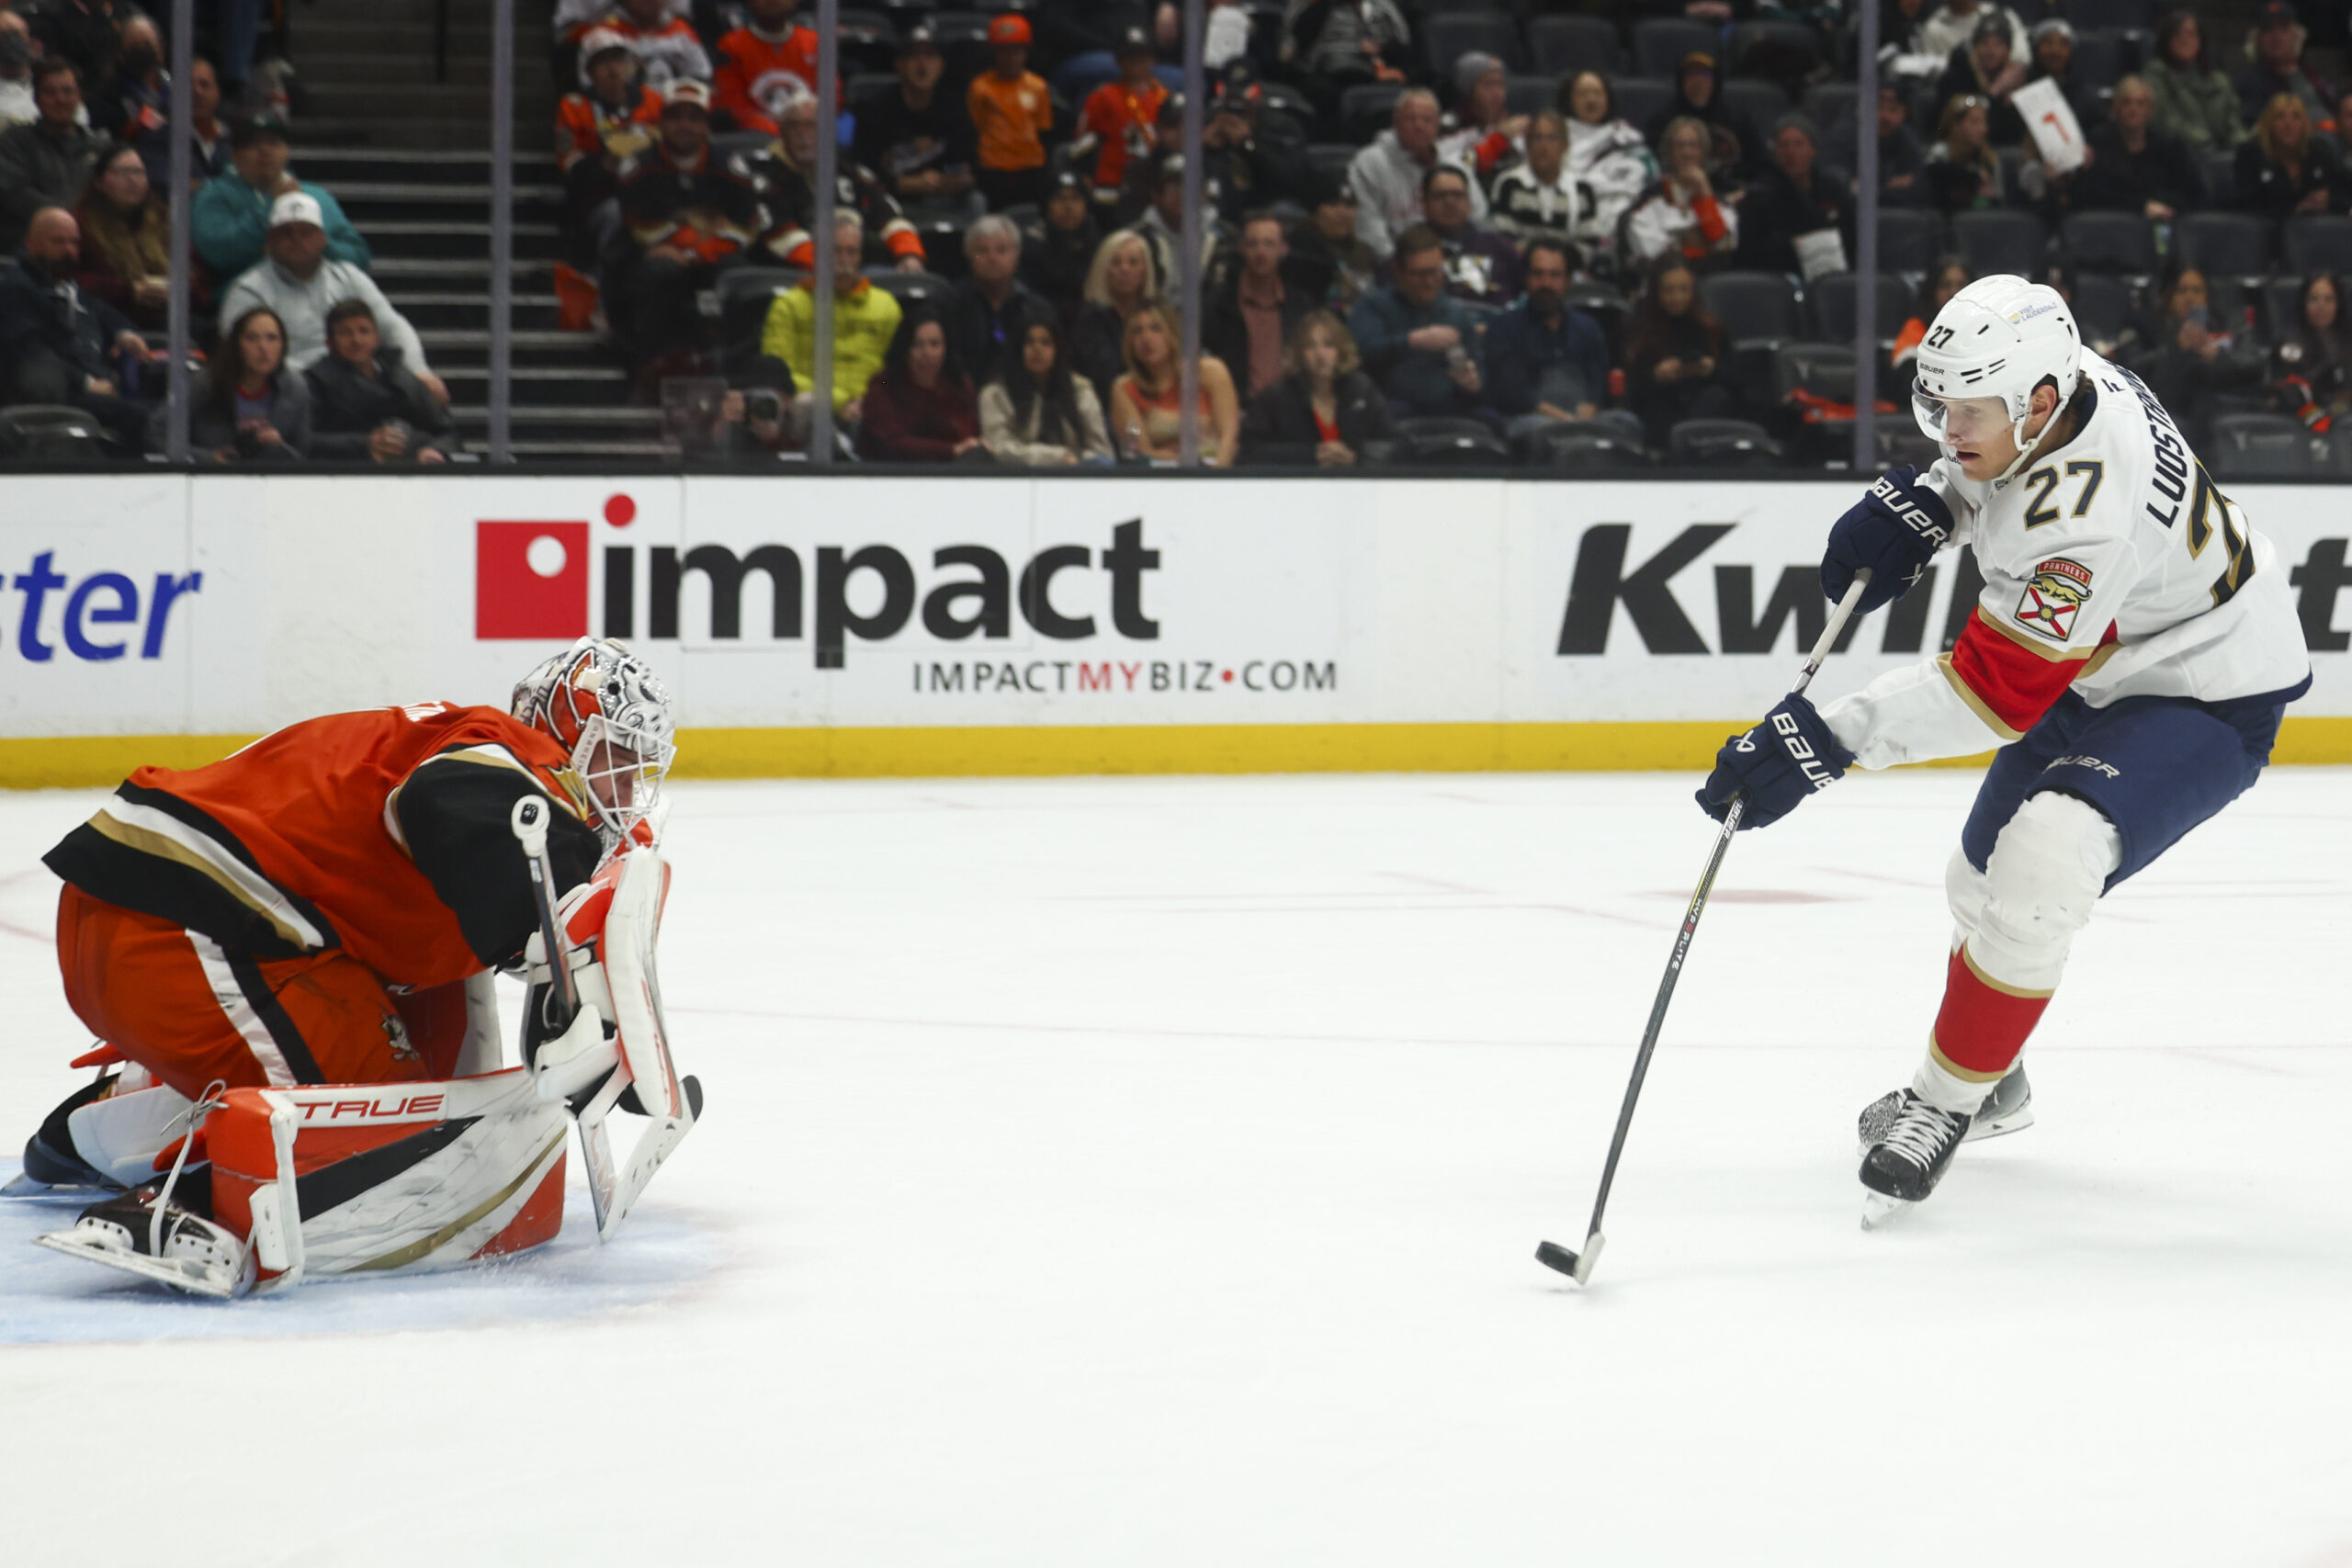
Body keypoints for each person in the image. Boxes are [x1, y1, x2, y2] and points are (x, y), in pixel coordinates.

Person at [1702, 273, 2310, 1221]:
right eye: (1936, 405)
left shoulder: (2082, 523)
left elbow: (1989, 696)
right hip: (2101, 657)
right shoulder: (2057, 377)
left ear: (2033, 400)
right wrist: (1932, 501)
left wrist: (1822, 739)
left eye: (1966, 413)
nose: (1948, 429)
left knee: (2041, 867)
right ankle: (1997, 1078)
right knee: (1976, 885)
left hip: (2203, 683)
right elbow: (1991, 471)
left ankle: (1942, 1103)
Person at [17, 639, 678, 1292]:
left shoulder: (472, 762)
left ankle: (98, 1127)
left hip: (161, 919)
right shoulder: (508, 761)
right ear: (567, 735)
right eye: (619, 758)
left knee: (426, 1089)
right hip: (177, 928)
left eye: (641, 769)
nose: (627, 788)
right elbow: (445, 795)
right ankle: (186, 1200)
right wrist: (547, 948)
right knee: (384, 1138)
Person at [216, 194, 442, 392]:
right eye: (286, 233)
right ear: (270, 241)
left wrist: (419, 370)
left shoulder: (349, 277)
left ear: (322, 239)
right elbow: (243, 355)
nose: (297, 241)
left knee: (416, 387)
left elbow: (392, 325)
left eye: (307, 233)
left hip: (355, 383)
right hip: (289, 389)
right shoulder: (248, 290)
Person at [615, 81, 762, 373]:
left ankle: (737, 373)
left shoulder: (729, 167)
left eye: (695, 118)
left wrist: (698, 251)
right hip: (658, 257)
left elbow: (748, 227)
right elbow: (638, 229)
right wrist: (680, 241)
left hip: (713, 256)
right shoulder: (639, 168)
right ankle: (649, 369)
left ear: (707, 126)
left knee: (741, 275)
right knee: (657, 273)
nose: (685, 126)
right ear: (661, 122)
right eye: (676, 117)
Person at [0, 206, 156, 449]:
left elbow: (101, 310)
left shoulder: (66, 285)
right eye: (58, 242)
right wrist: (86, 382)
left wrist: (125, 333)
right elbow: (31, 352)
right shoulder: (16, 289)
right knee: (138, 416)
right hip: (54, 393)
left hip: (94, 385)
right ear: (31, 244)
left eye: (74, 242)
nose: (69, 251)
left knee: (166, 408)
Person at [739, 90, 925, 272]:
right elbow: (779, 234)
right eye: (794, 126)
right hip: (795, 276)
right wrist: (833, 274)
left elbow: (889, 217)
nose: (803, 135)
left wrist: (909, 254)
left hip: (853, 273)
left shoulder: (849, 172)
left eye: (811, 125)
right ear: (782, 132)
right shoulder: (765, 178)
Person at [763, 211, 902, 429]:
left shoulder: (886, 306)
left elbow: (895, 371)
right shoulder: (788, 306)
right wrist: (839, 400)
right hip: (812, 409)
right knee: (806, 405)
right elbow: (779, 374)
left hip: (868, 408)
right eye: (835, 252)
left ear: (860, 257)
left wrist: (870, 400)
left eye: (851, 252)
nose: (844, 261)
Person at [191, 113, 371, 281]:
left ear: (286, 151)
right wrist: (271, 207)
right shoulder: (214, 195)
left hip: (319, 297)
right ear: (235, 155)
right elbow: (218, 254)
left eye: (273, 142)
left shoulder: (316, 196)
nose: (264, 150)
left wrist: (319, 245)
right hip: (249, 300)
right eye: (253, 143)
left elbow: (359, 257)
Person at [1483, 236, 1624, 447]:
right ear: (1526, 279)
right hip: (1530, 418)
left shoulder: (1588, 328)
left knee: (1625, 423)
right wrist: (1560, 418)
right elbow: (1510, 390)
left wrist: (1589, 408)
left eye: (1555, 275)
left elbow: (1597, 381)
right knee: (1537, 429)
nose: (1546, 283)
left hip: (1583, 417)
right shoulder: (1503, 328)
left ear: (1568, 281)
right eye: (1538, 274)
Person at [1346, 222, 1486, 422]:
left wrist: (1474, 382)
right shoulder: (1373, 307)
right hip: (1393, 411)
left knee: (1490, 421)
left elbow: (1477, 368)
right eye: (1421, 274)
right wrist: (1411, 341)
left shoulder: (1455, 313)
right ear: (1398, 271)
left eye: (1435, 272)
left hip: (1451, 410)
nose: (1429, 282)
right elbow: (1359, 356)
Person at [2120, 261, 2262, 444]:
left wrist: (2217, 356)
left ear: (2207, 296)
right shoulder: (2144, 326)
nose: (2190, 298)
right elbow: (2130, 371)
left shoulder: (2229, 325)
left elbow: (2255, 365)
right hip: (2164, 410)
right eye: (2181, 291)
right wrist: (2175, 349)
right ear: (2168, 296)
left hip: (2217, 413)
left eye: (2197, 291)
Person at [557, 28, 663, 269]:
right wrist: (609, 160)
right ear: (589, 70)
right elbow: (571, 165)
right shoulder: (574, 107)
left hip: (652, 187)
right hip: (602, 195)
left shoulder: (654, 101)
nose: (613, 69)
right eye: (603, 62)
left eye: (618, 60)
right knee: (618, 215)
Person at [303, 298, 455, 464]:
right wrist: (365, 444)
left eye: (364, 331)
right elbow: (303, 440)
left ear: (377, 338)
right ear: (329, 343)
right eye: (345, 333)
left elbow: (446, 432)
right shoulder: (315, 381)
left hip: (411, 468)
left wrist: (433, 449)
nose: (357, 340)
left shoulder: (403, 377)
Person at [1238, 309, 1394, 466]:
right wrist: (1309, 455)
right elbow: (1250, 450)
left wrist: (1356, 457)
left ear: (1340, 350)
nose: (1320, 355)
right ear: (1299, 353)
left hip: (1356, 485)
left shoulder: (1362, 390)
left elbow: (1395, 445)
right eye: (1310, 347)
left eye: (1328, 345)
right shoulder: (1276, 396)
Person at [850, 25, 978, 216]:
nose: (922, 64)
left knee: (978, 201)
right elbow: (862, 171)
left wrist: (950, 180)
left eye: (930, 56)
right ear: (898, 65)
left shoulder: (955, 108)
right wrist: (907, 184)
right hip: (890, 202)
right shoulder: (875, 110)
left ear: (942, 66)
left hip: (946, 200)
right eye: (913, 56)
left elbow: (971, 165)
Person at [160, 305, 311, 462]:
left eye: (272, 338)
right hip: (210, 479)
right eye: (252, 338)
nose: (263, 348)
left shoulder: (295, 388)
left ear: (283, 346)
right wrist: (208, 458)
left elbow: (303, 453)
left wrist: (280, 447)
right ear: (236, 345)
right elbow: (156, 433)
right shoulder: (205, 383)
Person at [1349, 87, 1479, 263]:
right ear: (1395, 122)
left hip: (1455, 258)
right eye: (1410, 119)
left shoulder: (1453, 162)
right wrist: (1403, 265)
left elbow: (1478, 213)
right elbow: (1368, 226)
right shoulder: (1371, 162)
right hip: (1396, 263)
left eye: (1427, 119)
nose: (1419, 126)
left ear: (1438, 125)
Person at [1107, 300, 1241, 465]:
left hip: (1215, 473)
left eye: (1156, 328)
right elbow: (1138, 453)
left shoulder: (1210, 371)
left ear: (1172, 333)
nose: (1146, 338)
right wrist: (1187, 464)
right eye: (1137, 331)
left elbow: (1229, 437)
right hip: (1159, 478)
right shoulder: (1124, 389)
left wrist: (1213, 476)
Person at [979, 307, 1113, 465]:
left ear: (1057, 349)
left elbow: (1101, 450)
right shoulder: (995, 394)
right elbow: (997, 447)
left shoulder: (1080, 389)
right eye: (1029, 342)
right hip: (1016, 480)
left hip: (1076, 477)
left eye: (1046, 342)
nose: (1037, 349)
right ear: (1018, 349)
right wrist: (1057, 457)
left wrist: (1079, 463)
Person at [0, 60, 108, 252]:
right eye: (50, 92)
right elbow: (14, 192)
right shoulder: (15, 141)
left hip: (91, 244)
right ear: (36, 98)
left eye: (67, 91)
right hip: (29, 247)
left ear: (79, 96)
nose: (60, 99)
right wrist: (67, 218)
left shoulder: (99, 146)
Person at [856, 306, 987, 463]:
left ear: (946, 348)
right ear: (904, 349)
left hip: (955, 474)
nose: (927, 353)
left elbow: (971, 436)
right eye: (917, 345)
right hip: (894, 476)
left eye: (934, 344)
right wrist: (950, 450)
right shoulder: (883, 385)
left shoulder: (959, 384)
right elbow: (892, 443)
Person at [1202, 209, 1309, 400]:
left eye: (1269, 244)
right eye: (1253, 244)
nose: (1261, 252)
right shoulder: (1217, 305)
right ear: (1242, 248)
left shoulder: (1300, 306)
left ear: (1283, 249)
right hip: (1236, 407)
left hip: (1288, 410)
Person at [1559, 72, 1657, 280]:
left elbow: (1649, 182)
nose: (1591, 100)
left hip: (1622, 234)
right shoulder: (1554, 135)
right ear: (1570, 99)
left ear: (1608, 98)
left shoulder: (1627, 138)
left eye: (1597, 93)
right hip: (1571, 227)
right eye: (1583, 93)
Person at [1623, 259, 1732, 445]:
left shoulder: (1710, 328)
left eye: (1684, 289)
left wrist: (1712, 370)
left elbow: (1735, 378)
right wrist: (1655, 376)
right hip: (1657, 409)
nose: (1677, 297)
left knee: (1716, 397)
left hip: (1702, 407)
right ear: (1656, 293)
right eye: (1669, 290)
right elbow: (1629, 388)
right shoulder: (1639, 330)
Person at [73, 141, 174, 328]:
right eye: (121, 173)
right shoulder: (80, 225)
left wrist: (174, 288)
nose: (133, 180)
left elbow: (196, 275)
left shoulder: (164, 221)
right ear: (99, 181)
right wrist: (128, 290)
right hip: (105, 319)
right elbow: (73, 280)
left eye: (139, 172)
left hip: (167, 316)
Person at [2072, 76, 2202, 220]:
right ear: (2116, 108)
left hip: (2164, 222)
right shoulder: (2098, 143)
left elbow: (2194, 194)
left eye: (2141, 103)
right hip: (2113, 227)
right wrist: (2142, 206)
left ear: (2150, 110)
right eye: (2126, 103)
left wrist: (2162, 206)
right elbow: (2091, 195)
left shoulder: (2169, 147)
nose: (2133, 109)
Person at [1737, 114, 1853, 277]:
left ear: (1813, 149)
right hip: (1780, 279)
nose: (1791, 152)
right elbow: (1751, 253)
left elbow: (1850, 239)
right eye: (1783, 145)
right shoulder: (1760, 195)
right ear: (1776, 151)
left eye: (1799, 144)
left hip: (1831, 277)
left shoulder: (1833, 190)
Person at [1624, 116, 1739, 272]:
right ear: (1670, 151)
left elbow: (1723, 243)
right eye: (1680, 146)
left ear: (1703, 151)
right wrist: (1691, 242)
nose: (1687, 152)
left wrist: (1704, 190)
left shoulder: (1718, 201)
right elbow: (1648, 249)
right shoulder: (1651, 199)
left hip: (1709, 279)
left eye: (1694, 145)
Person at [1199, 57, 1305, 224]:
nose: (1238, 102)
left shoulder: (1282, 126)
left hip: (1266, 205)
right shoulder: (1203, 123)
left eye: (1246, 93)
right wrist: (1202, 147)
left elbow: (1290, 179)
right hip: (1218, 206)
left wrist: (1248, 144)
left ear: (1259, 91)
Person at [943, 213, 1042, 389]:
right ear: (969, 256)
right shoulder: (947, 304)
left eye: (1002, 250)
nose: (992, 257)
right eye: (982, 251)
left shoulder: (1036, 308)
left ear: (1017, 255)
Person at [1074, 25, 1166, 209]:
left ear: (1152, 59)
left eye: (1142, 56)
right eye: (1130, 56)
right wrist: (1084, 175)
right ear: (1118, 60)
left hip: (1152, 186)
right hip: (1111, 186)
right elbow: (1082, 143)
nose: (1136, 61)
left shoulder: (1164, 97)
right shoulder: (1103, 97)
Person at [967, 14, 1054, 210]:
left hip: (1031, 166)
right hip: (992, 167)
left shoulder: (1037, 86)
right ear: (994, 53)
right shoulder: (980, 87)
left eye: (1016, 50)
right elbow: (976, 126)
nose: (1010, 57)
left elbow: (1044, 128)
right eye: (1003, 51)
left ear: (1026, 52)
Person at [1280, 0, 1410, 124]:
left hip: (1372, 70)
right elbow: (1289, 50)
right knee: (1322, 94)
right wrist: (1323, 5)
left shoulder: (1381, 5)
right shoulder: (1308, 4)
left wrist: (1380, 48)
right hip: (1318, 71)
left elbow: (1404, 47)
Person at [1069, 228, 1159, 407]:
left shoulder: (1159, 315)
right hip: (1106, 408)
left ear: (1145, 270)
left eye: (1133, 262)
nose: (1125, 269)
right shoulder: (1089, 320)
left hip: (1154, 405)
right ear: (1104, 269)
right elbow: (1100, 377)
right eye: (1116, 263)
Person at [2143, 7, 2245, 154]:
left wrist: (2244, 143)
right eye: (2177, 34)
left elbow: (2233, 124)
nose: (2184, 39)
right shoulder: (2155, 74)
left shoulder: (2219, 81)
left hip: (2220, 154)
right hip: (2178, 154)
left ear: (2201, 41)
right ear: (2166, 40)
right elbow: (2164, 121)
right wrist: (2202, 139)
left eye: (2191, 34)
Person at [710, 0, 820, 136]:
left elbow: (831, 98)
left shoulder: (814, 43)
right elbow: (734, 106)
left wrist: (805, 128)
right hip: (755, 141)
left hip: (812, 138)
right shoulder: (731, 45)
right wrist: (783, 135)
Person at [2233, 94, 2346, 219]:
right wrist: (2294, 210)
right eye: (2279, 117)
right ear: (2269, 125)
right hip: (2267, 232)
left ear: (2305, 125)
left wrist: (2329, 199)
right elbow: (2247, 206)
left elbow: (2342, 188)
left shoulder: (2318, 151)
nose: (2289, 124)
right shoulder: (2251, 155)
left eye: (2296, 117)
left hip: (2315, 231)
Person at [1645, 52, 1757, 178]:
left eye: (1705, 74)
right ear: (1681, 81)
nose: (1698, 80)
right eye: (1691, 74)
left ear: (1716, 81)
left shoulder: (1737, 119)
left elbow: (1757, 164)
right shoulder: (1662, 121)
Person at [1420, 164, 1519, 308]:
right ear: (1424, 203)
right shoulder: (1411, 250)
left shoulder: (1498, 248)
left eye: (1457, 195)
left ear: (1469, 203)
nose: (1450, 202)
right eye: (1440, 196)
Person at [1825, 85, 1928, 210]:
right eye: (1877, 108)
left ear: (1904, 114)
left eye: (1893, 110)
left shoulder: (1907, 138)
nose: (1884, 116)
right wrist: (1886, 187)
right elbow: (1836, 180)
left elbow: (1919, 187)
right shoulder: (1841, 136)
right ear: (1859, 109)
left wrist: (1873, 189)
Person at [2269, 272, 2352, 429]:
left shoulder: (2347, 337)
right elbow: (2291, 394)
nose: (2321, 306)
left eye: (2329, 299)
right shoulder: (2290, 344)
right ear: (2304, 303)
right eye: (2314, 299)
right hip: (2308, 421)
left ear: (2338, 304)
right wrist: (2326, 423)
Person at [2235, 1, 2334, 129]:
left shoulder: (2314, 77)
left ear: (2297, 35)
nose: (2276, 36)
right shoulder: (2248, 84)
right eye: (2268, 29)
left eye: (2284, 28)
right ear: (2258, 39)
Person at [1488, 110, 1577, 252]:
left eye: (1552, 138)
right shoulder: (1509, 183)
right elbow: (1501, 238)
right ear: (1527, 144)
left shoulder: (1581, 187)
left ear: (1565, 145)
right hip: (1518, 267)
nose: (1544, 145)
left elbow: (1588, 242)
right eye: (1537, 138)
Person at [1936, 14, 2028, 148]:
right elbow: (1940, 127)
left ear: (2008, 51)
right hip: (1957, 151)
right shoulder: (1956, 77)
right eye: (1984, 43)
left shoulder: (2016, 79)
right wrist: (1995, 90)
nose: (1991, 51)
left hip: (2001, 151)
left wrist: (2013, 102)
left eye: (1998, 44)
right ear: (1974, 47)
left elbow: (2016, 135)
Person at [1284, 176, 1376, 309]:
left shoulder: (1365, 252)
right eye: (1332, 204)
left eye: (1349, 205)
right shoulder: (1298, 252)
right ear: (1315, 211)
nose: (1342, 213)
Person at [1019, 170, 1102, 316]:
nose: (1068, 207)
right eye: (1059, 199)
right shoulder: (1032, 244)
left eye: (1076, 199)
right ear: (1047, 206)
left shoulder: (1094, 241)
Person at [582, 0, 712, 92]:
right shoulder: (603, 33)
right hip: (630, 114)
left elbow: (703, 75)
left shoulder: (681, 29)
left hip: (676, 111)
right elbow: (588, 83)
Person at [1439, 52, 1527, 185]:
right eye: (1488, 85)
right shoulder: (1449, 126)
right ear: (1468, 90)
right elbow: (1460, 164)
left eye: (1500, 84)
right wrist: (1498, 139)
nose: (1497, 93)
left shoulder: (1512, 124)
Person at [1925, 95, 2007, 214]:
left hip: (1982, 221)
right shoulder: (1940, 154)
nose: (1983, 129)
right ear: (1955, 125)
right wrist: (1973, 177)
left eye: (1984, 121)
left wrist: (1987, 198)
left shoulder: (1990, 159)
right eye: (1975, 122)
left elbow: (1997, 205)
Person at [2021, 18, 2103, 133]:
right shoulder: (2021, 91)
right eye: (2048, 43)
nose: (2055, 51)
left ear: (2071, 50)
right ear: (2036, 48)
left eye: (2063, 44)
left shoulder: (2086, 97)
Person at [1892, 255, 1972, 367]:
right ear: (1933, 290)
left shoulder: (1986, 325)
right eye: (1945, 285)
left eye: (1961, 285)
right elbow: (1905, 367)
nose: (1954, 292)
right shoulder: (1917, 325)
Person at [1913, 0, 2027, 63]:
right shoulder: (1933, 29)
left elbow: (2022, 57)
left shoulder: (2002, 15)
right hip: (1960, 88)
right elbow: (1932, 69)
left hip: (2008, 84)